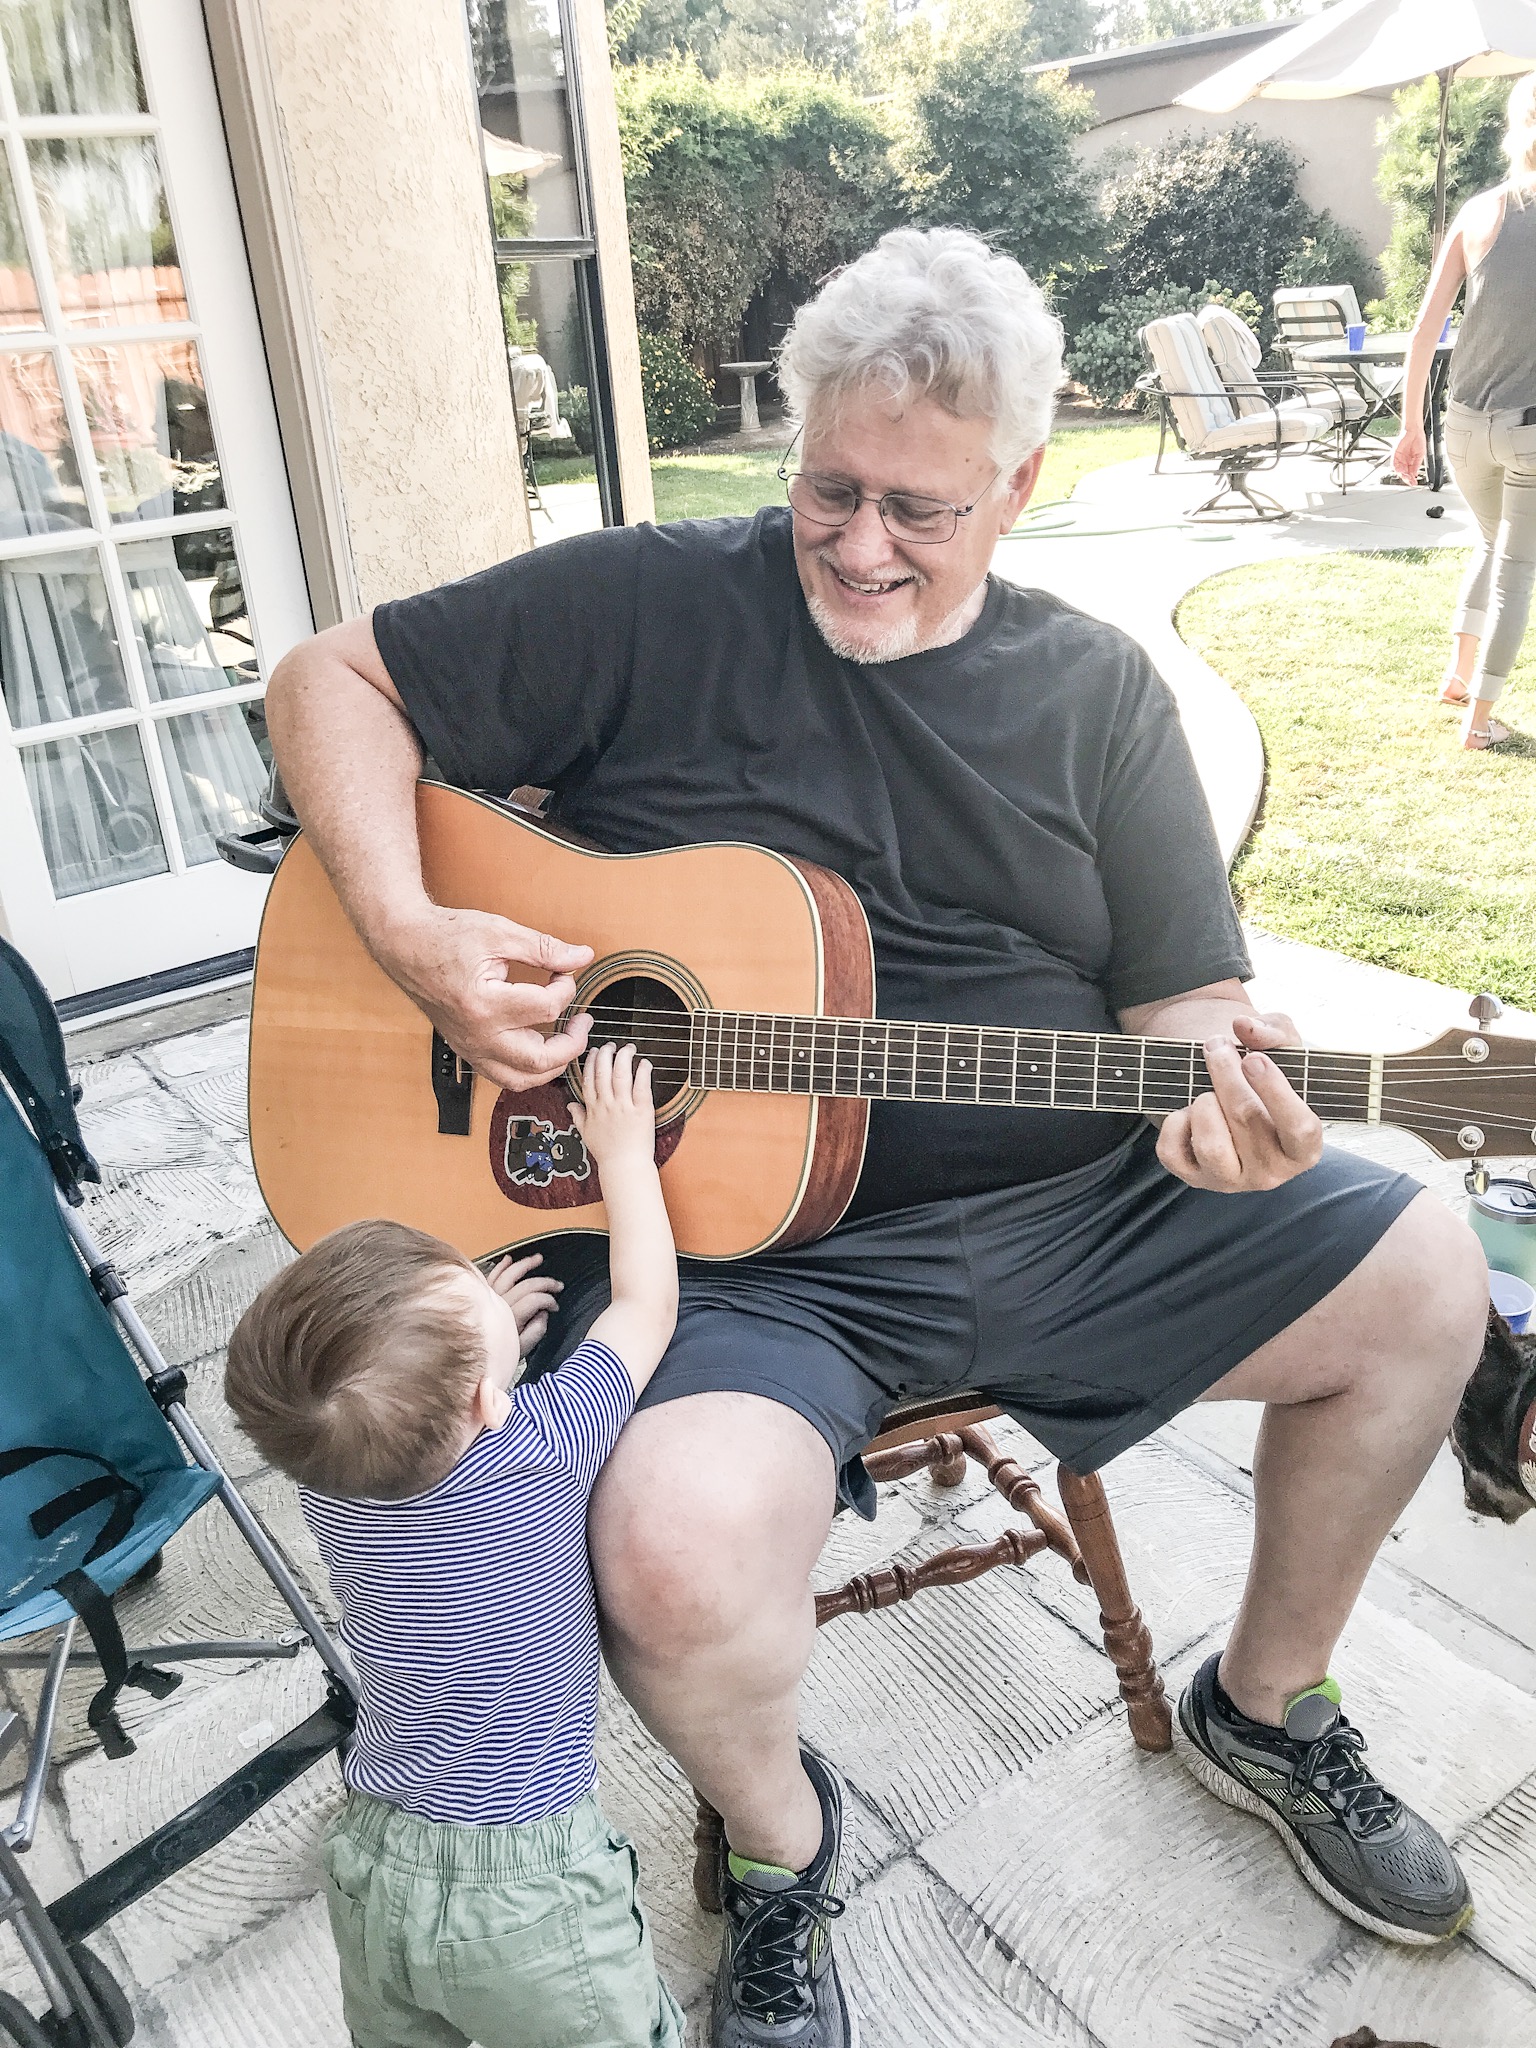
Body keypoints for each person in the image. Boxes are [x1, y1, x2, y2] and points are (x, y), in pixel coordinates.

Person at [265, 228, 1487, 2046]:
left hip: (1072, 1206)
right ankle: (779, 1848)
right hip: (753, 1265)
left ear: (1016, 485)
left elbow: (1177, 1011)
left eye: (917, 509)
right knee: (669, 1547)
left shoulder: (1093, 695)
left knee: (1426, 1266)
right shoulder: (643, 603)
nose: (857, 543)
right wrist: (413, 930)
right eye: (828, 488)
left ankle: (1267, 1695)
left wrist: (1222, 1111)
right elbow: (325, 682)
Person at [224, 1043, 684, 2048]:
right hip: (531, 1895)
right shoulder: (545, 1446)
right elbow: (647, 1304)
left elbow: (376, 1407)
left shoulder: (327, 1483)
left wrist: (472, 1345)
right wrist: (622, 1154)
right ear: (492, 1396)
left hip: (372, 1868)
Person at [1393, 75, 1536, 749]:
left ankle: (1457, 675)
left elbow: (1425, 329)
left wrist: (1408, 423)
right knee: (1516, 568)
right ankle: (1479, 722)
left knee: (1488, 542)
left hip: (1460, 423)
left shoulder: (1479, 211)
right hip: (1528, 430)